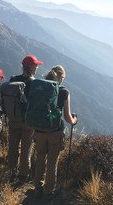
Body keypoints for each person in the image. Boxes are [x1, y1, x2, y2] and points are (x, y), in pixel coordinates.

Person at [34, 65, 77, 200]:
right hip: (55, 131)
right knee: (52, 162)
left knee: (40, 157)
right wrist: (74, 121)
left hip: (39, 129)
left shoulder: (39, 87)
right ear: (61, 77)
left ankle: (37, 188)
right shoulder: (64, 92)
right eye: (63, 77)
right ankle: (48, 191)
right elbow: (67, 117)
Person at [8, 55, 43, 184]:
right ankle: (23, 175)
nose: (37, 67)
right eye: (36, 65)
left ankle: (11, 172)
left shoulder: (13, 79)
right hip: (28, 122)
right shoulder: (34, 83)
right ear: (29, 66)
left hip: (14, 119)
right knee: (26, 148)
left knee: (13, 146)